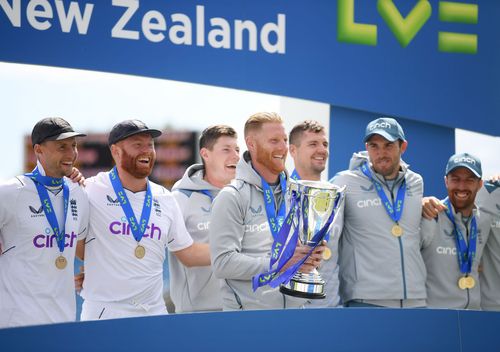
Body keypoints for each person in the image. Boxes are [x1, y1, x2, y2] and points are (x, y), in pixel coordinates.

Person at [78, 119, 211, 320]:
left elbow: (189, 253)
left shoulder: (165, 198)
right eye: (137, 145)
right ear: (116, 151)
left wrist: (240, 252)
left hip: (154, 313)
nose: (146, 150)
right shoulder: (90, 190)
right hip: (104, 313)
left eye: (150, 145)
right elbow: (69, 240)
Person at [209, 112, 324, 310]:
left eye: (285, 140)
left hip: (296, 314)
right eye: (274, 141)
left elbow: (297, 257)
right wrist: (279, 262)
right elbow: (222, 263)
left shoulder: (298, 194)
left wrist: (310, 255)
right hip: (250, 320)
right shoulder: (232, 197)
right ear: (251, 144)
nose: (283, 148)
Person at [0, 117, 89, 328]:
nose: (71, 154)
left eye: (73, 146)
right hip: (16, 324)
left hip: (64, 322)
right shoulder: (11, 191)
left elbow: (83, 249)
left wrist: (95, 275)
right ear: (38, 150)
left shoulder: (79, 193)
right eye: (61, 147)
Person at [332, 117, 426, 308]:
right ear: (367, 148)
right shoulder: (344, 182)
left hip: (415, 299)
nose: (381, 153)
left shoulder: (416, 182)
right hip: (367, 300)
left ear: (403, 146)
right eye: (374, 146)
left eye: (388, 145)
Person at [169, 125, 240, 313]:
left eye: (237, 150)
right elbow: (188, 255)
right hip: (197, 315)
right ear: (205, 154)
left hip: (241, 310)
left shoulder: (244, 196)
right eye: (226, 149)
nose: (235, 156)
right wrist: (242, 253)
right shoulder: (180, 198)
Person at [420, 153, 490, 309]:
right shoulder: (430, 215)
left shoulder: (484, 221)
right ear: (446, 181)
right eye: (455, 179)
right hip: (437, 318)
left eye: (469, 180)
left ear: (479, 184)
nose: (461, 186)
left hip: (474, 318)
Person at [288, 120, 342, 308]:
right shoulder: (280, 194)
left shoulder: (337, 196)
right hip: (290, 308)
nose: (322, 150)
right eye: (313, 144)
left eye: (324, 144)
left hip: (331, 307)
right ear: (293, 150)